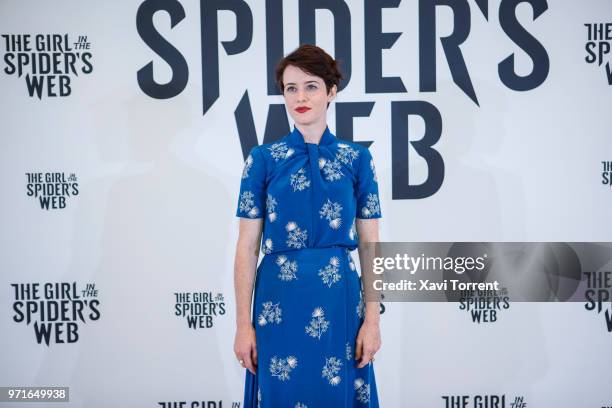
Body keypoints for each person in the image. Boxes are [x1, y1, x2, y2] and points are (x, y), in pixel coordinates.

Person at [233, 44, 382, 407]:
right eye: (291, 88)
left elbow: (371, 244)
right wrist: (242, 325)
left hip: (340, 302)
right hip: (277, 303)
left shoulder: (357, 159)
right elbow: (247, 246)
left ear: (331, 92)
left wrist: (373, 321)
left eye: (311, 86)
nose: (300, 97)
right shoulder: (263, 160)